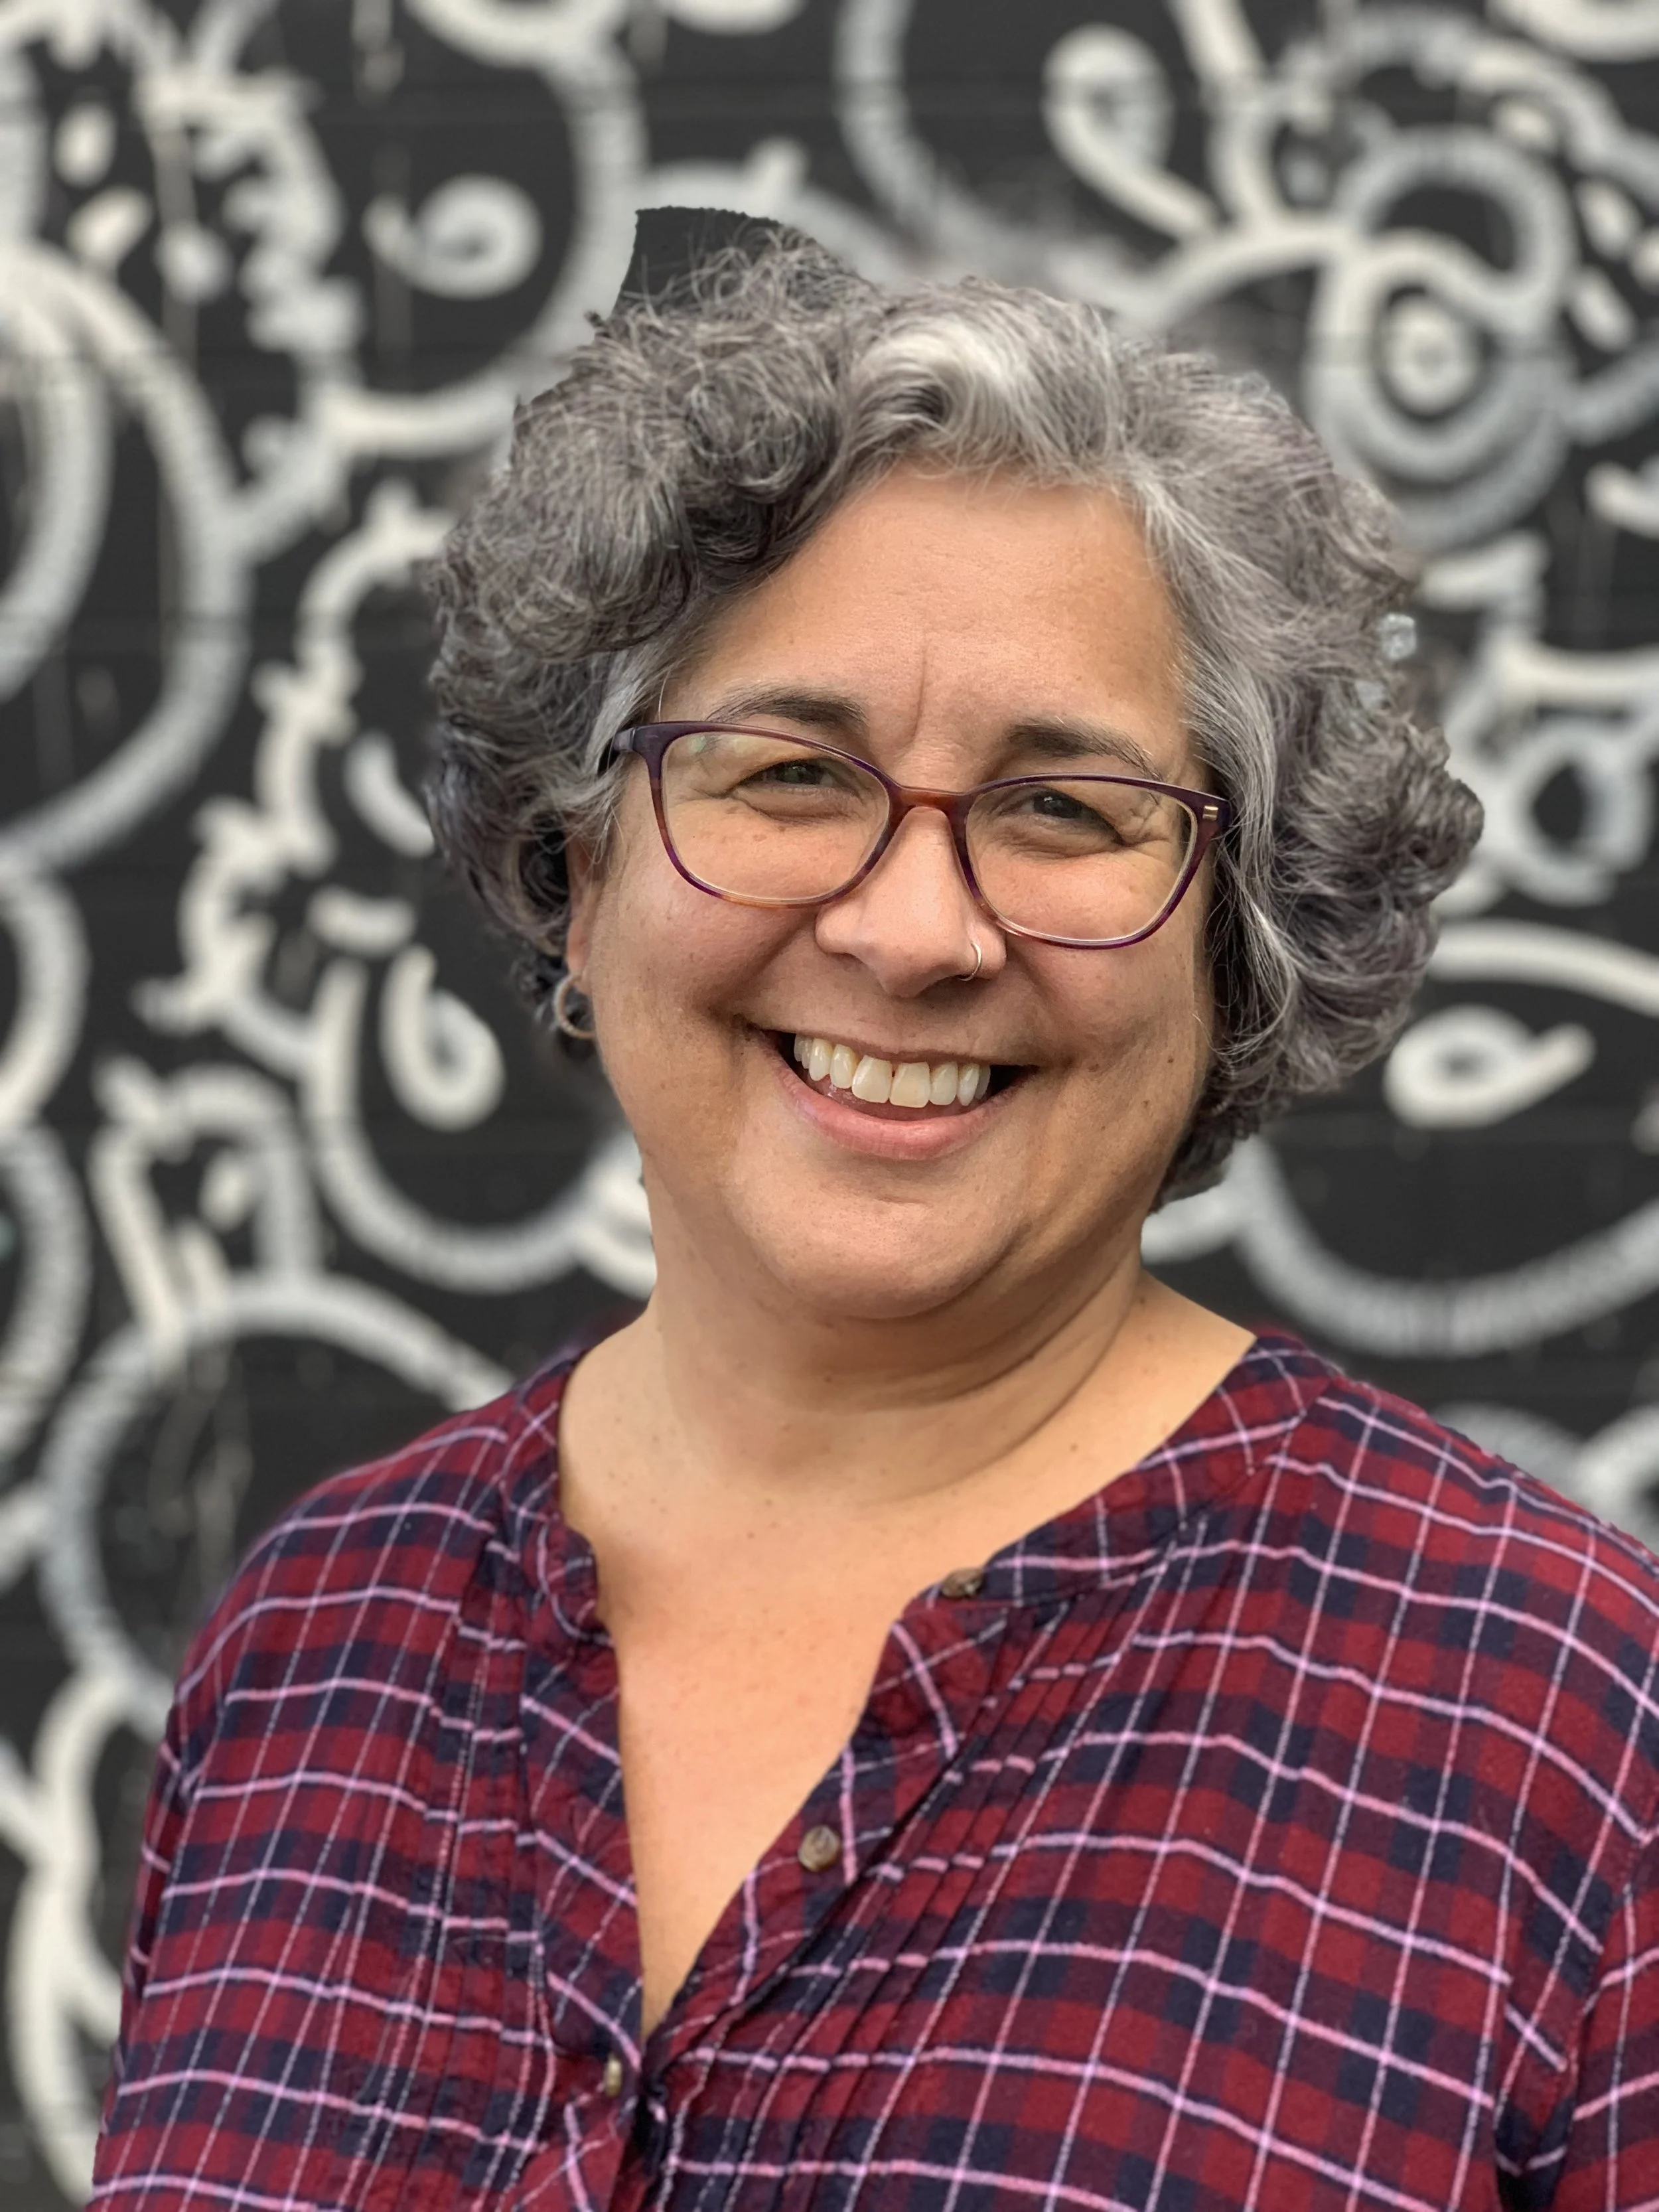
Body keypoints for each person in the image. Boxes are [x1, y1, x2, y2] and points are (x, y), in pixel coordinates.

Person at [92, 211, 1659, 2212]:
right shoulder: (313, 1645)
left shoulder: (1555, 1722)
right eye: (783, 775)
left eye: (1066, 809)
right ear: (581, 864)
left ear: (1240, 939)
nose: (914, 932)